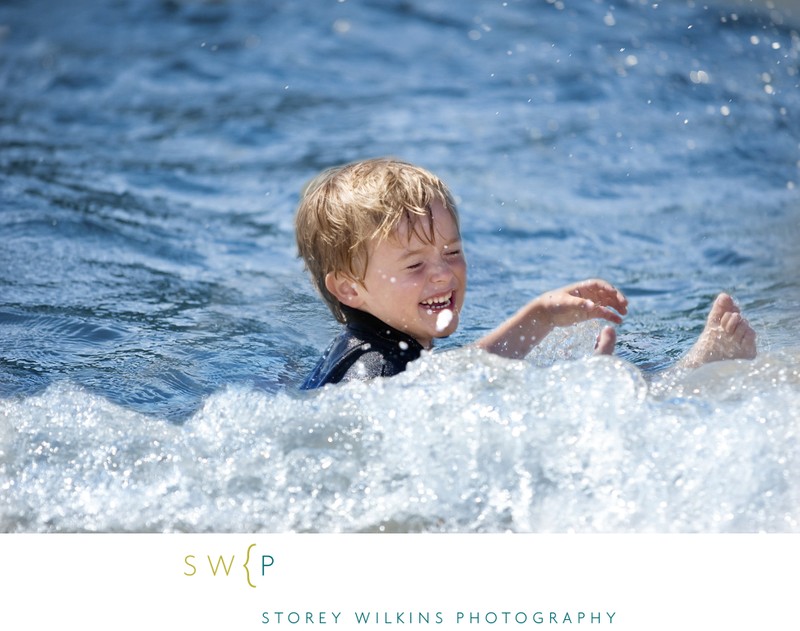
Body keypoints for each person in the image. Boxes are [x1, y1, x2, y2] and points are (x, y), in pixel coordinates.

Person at [295, 158, 755, 389]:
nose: (443, 275)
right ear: (349, 288)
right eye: (415, 264)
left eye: (452, 251)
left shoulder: (379, 350)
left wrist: (538, 317)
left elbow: (459, 371)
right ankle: (694, 374)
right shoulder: (374, 370)